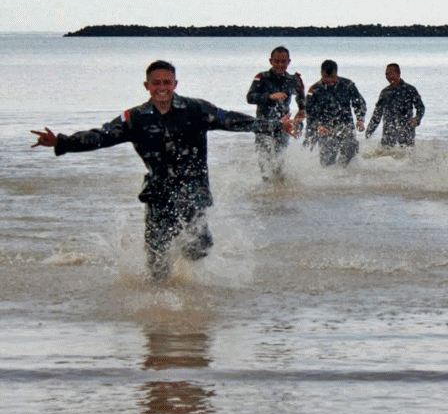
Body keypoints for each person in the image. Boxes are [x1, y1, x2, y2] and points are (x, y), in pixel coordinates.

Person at [30, 60, 296, 280]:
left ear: (175, 84)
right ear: (147, 86)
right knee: (157, 259)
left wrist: (274, 125)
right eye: (156, 83)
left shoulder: (194, 109)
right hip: (159, 193)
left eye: (166, 83)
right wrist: (62, 141)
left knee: (198, 249)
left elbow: (230, 119)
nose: (161, 88)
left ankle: (192, 299)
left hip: (194, 191)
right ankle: (159, 316)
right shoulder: (135, 118)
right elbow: (102, 136)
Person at [246, 46, 306, 181]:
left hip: (283, 125)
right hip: (263, 125)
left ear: (288, 62)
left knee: (280, 161)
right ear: (270, 61)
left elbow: (301, 99)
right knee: (265, 161)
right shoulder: (261, 78)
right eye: (276, 62)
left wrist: (301, 113)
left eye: (283, 62)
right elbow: (250, 98)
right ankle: (267, 190)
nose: (280, 65)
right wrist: (269, 96)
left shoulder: (293, 80)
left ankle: (280, 190)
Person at [304, 59, 367, 166]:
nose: (329, 80)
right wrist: (318, 126)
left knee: (350, 157)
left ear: (336, 73)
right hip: (325, 129)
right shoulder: (314, 90)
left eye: (332, 77)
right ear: (321, 74)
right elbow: (309, 112)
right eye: (326, 77)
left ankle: (346, 179)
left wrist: (360, 119)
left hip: (345, 126)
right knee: (327, 162)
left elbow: (359, 103)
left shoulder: (347, 85)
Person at [365, 63, 425, 147]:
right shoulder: (385, 93)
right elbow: (377, 115)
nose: (388, 77)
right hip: (388, 135)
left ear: (398, 74)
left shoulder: (410, 90)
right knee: (385, 158)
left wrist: (417, 119)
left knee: (407, 157)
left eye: (390, 74)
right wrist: (368, 132)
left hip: (406, 133)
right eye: (386, 74)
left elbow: (420, 107)